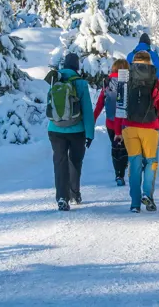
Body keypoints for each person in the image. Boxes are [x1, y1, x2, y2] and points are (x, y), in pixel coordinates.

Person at [114, 51, 159, 213]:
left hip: (129, 128)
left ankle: (135, 203)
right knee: (151, 162)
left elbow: (120, 107)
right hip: (150, 128)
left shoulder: (125, 79)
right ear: (149, 62)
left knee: (135, 164)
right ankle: (147, 194)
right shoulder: (155, 80)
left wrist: (118, 131)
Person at [46, 53, 96, 211]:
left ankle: (61, 197)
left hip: (55, 129)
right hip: (77, 130)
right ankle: (74, 193)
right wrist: (90, 134)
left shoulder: (55, 79)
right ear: (77, 67)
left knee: (59, 162)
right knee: (75, 161)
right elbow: (87, 110)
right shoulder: (80, 83)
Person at [93, 59, 130, 186]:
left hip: (110, 122)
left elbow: (100, 103)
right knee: (125, 147)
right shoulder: (127, 82)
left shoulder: (107, 83)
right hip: (126, 122)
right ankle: (123, 169)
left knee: (115, 147)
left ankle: (118, 174)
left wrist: (93, 119)